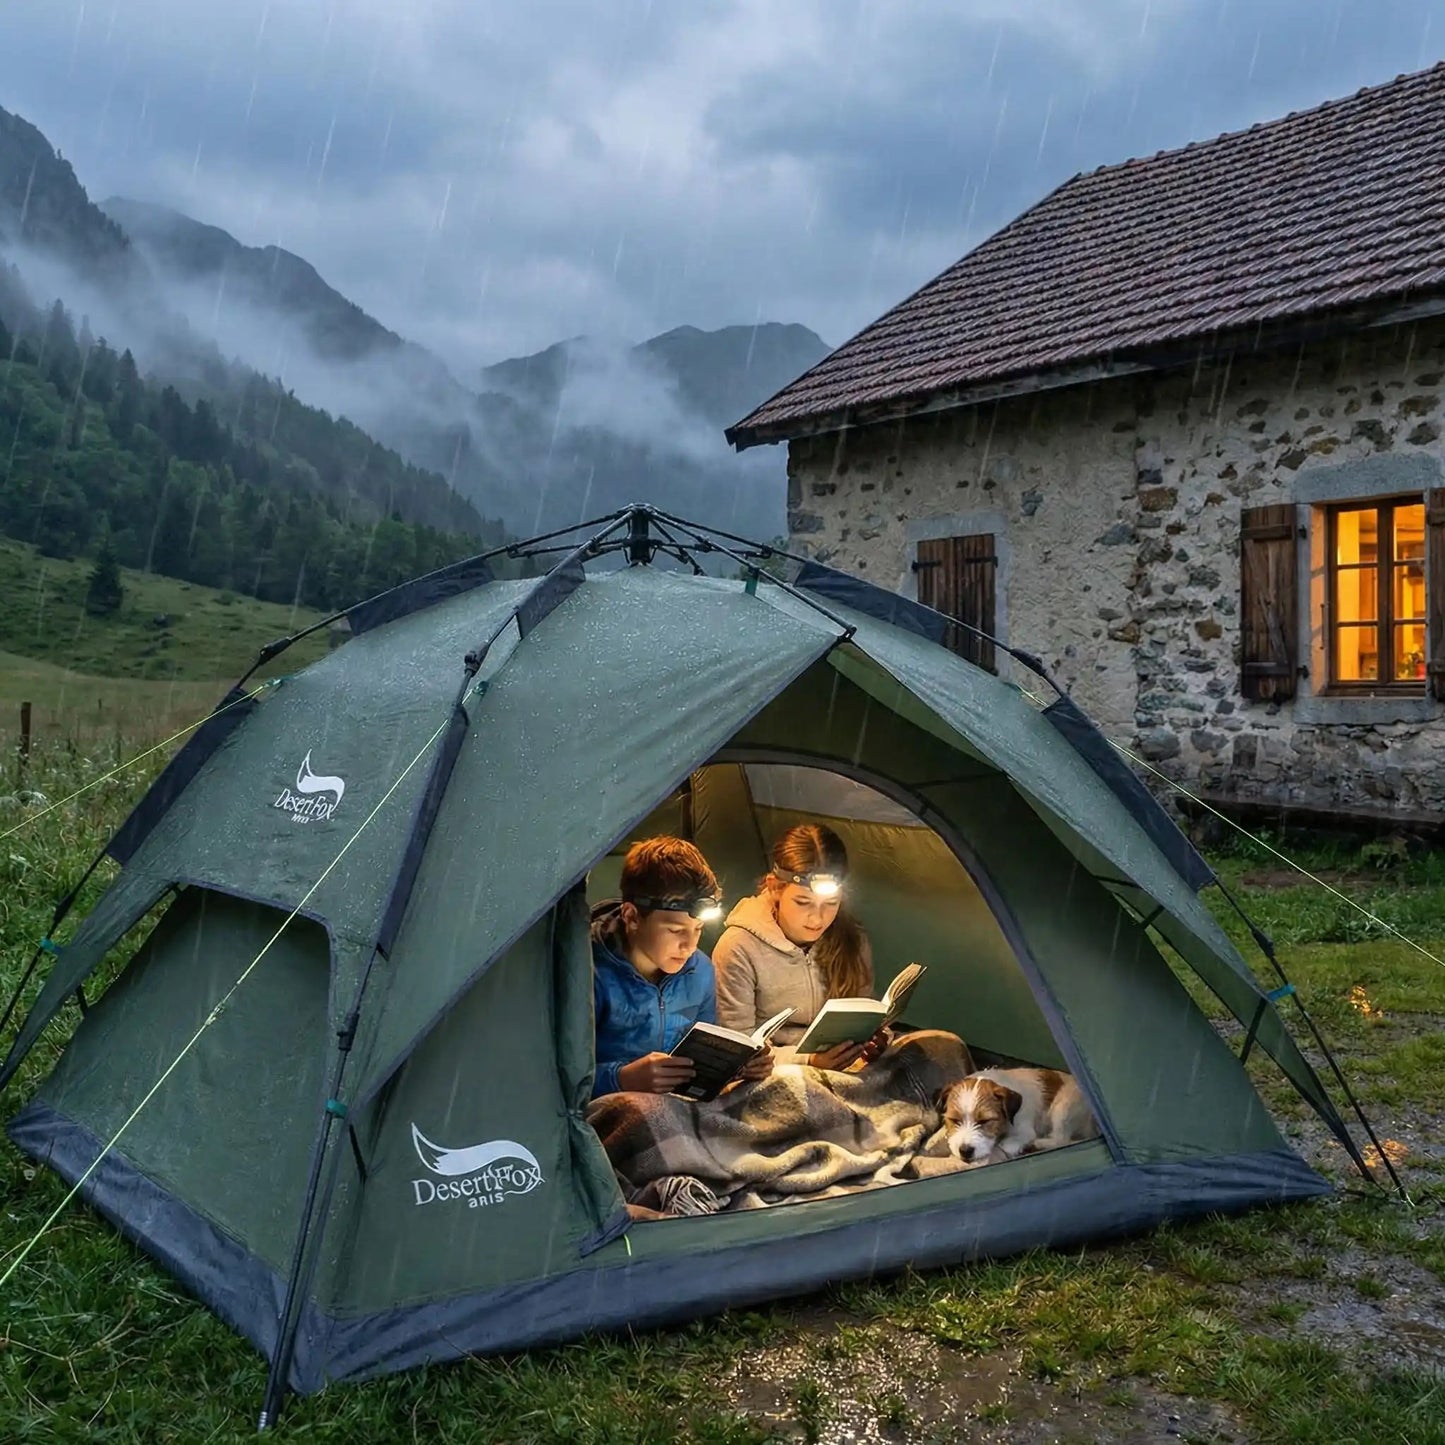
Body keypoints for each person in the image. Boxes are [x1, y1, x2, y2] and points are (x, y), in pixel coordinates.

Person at [591, 836, 774, 1098]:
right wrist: (621, 1079)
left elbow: (702, 1063)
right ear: (631, 917)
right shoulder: (590, 975)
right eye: (675, 930)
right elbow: (555, 1079)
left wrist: (739, 1066)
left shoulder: (699, 970)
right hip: (610, 1106)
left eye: (698, 929)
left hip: (680, 1104)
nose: (689, 945)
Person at [713, 823, 881, 1071]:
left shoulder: (851, 937)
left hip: (845, 1063)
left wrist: (873, 1037)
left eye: (831, 903)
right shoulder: (738, 947)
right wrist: (808, 1061)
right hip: (777, 1069)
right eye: (803, 902)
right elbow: (739, 1048)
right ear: (774, 888)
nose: (817, 919)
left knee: (939, 1047)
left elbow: (862, 1011)